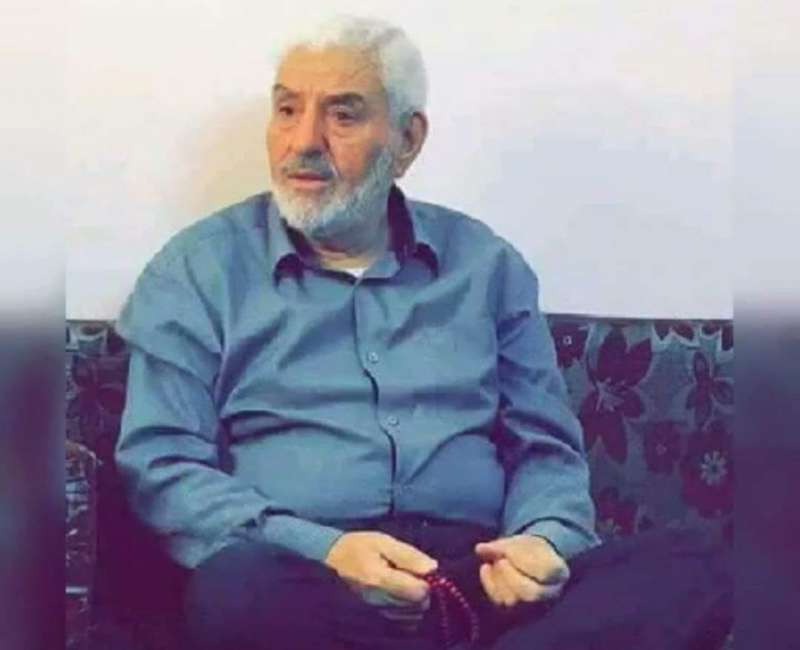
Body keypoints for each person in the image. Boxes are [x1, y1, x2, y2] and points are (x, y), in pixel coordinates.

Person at [114, 15, 732, 650]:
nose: (303, 141)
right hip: (314, 580)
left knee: (703, 565)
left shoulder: (486, 266)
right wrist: (327, 550)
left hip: (482, 586)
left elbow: (544, 448)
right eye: (287, 109)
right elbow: (164, 467)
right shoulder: (198, 270)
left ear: (407, 140)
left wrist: (541, 540)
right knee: (237, 590)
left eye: (343, 115)